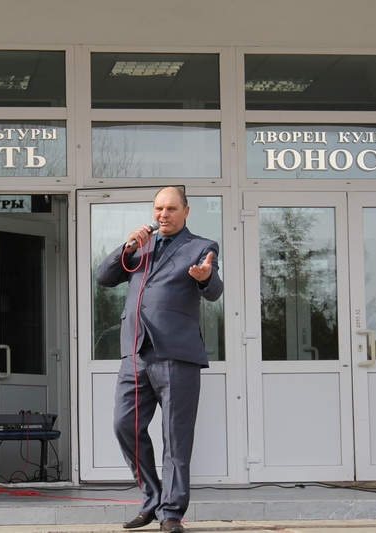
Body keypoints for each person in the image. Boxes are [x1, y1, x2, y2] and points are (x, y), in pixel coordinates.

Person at [95, 187, 224, 533]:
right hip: (136, 353)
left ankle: (171, 513)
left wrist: (205, 278)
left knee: (176, 438)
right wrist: (128, 247)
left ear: (186, 211)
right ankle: (152, 498)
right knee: (124, 425)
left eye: (170, 208)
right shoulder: (141, 247)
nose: (163, 214)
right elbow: (104, 277)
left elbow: (214, 290)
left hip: (177, 354)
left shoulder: (201, 247)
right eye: (158, 208)